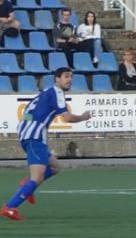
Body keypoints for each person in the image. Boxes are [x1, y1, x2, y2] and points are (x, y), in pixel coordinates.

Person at [1, 68, 93, 221]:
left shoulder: (47, 92)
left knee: (55, 167)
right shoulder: (57, 92)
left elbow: (30, 112)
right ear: (57, 78)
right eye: (66, 76)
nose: (69, 79)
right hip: (34, 137)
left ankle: (26, 185)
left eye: (71, 77)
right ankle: (10, 207)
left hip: (30, 135)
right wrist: (83, 117)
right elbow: (67, 118)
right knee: (37, 177)